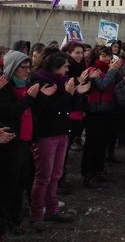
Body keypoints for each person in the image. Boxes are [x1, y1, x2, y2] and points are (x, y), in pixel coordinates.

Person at [29, 50, 90, 227]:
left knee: (56, 174)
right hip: (46, 134)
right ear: (55, 68)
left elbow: (68, 106)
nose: (67, 69)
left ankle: (52, 209)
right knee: (43, 176)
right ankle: (36, 214)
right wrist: (69, 94)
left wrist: (77, 92)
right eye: (64, 66)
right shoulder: (40, 82)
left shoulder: (63, 81)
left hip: (62, 131)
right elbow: (50, 109)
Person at [0, 52, 36, 236]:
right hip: (11, 142)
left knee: (20, 182)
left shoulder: (26, 85)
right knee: (9, 184)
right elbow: (7, 112)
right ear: (13, 67)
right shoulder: (5, 87)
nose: (27, 71)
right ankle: (7, 222)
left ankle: (15, 218)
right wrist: (29, 99)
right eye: (23, 67)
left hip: (25, 139)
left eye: (29, 67)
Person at [81, 46, 123, 188]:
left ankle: (99, 170)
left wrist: (116, 70)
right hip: (95, 111)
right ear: (97, 57)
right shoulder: (94, 70)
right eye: (103, 55)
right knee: (92, 143)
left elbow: (119, 83)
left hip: (108, 109)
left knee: (102, 143)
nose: (107, 58)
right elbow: (103, 85)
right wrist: (112, 71)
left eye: (108, 55)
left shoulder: (108, 70)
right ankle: (87, 173)